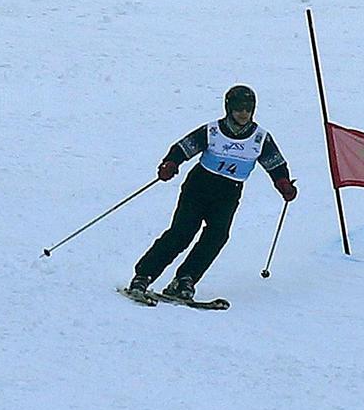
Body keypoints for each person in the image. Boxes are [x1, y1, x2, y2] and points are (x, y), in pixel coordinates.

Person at [126, 84, 297, 301]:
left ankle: (185, 279)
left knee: (217, 236)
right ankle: (144, 275)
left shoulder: (260, 138)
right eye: (238, 108)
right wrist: (171, 163)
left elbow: (276, 164)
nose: (243, 113)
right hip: (199, 187)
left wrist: (283, 184)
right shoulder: (213, 131)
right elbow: (184, 147)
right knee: (182, 232)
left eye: (247, 109)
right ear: (228, 108)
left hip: (229, 192)